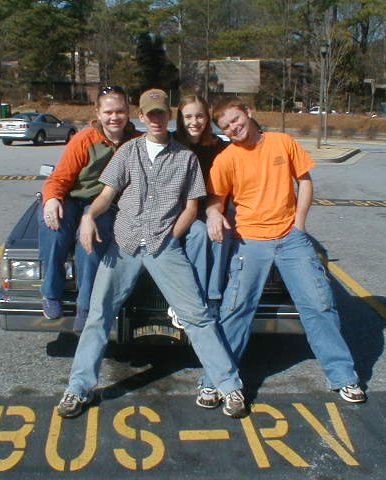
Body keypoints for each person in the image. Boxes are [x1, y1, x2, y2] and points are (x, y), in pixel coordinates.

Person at [56, 89, 246, 419]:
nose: (157, 119)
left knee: (197, 315)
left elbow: (191, 207)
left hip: (164, 247)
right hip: (126, 245)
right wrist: (88, 217)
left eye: (162, 114)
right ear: (141, 118)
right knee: (99, 316)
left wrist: (169, 238)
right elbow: (106, 194)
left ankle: (229, 386)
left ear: (168, 116)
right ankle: (78, 388)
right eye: (150, 114)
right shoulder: (128, 152)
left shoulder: (185, 157)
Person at [202, 96, 367, 405]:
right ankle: (215, 380)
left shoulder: (282, 142)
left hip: (290, 239)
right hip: (249, 240)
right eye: (226, 126)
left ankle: (344, 376)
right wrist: (213, 214)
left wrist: (300, 224)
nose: (233, 128)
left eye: (236, 120)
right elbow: (216, 199)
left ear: (249, 113)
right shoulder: (226, 159)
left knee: (320, 304)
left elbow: (304, 182)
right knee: (235, 309)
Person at [39, 86, 139, 332]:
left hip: (107, 204)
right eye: (108, 112)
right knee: (55, 228)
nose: (114, 117)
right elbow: (59, 178)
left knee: (92, 240)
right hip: (73, 198)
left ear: (128, 112)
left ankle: (85, 305)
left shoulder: (136, 142)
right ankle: (51, 292)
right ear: (98, 112)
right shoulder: (84, 139)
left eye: (120, 111)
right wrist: (52, 199)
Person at [169, 95, 230, 327]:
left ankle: (211, 298)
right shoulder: (171, 142)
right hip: (174, 208)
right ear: (180, 118)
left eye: (200, 116)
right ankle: (186, 299)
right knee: (197, 233)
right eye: (188, 116)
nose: (194, 121)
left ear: (207, 118)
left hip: (207, 206)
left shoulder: (219, 147)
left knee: (217, 232)